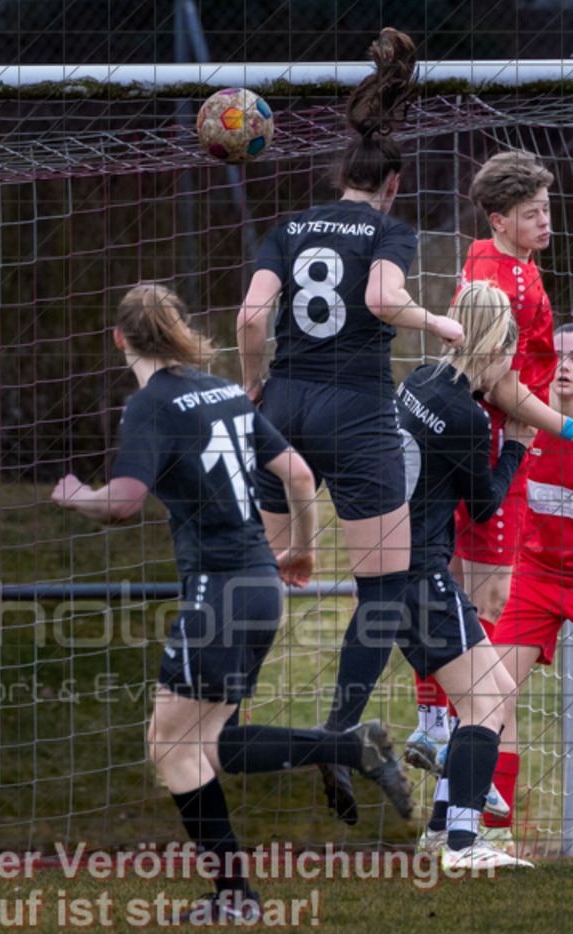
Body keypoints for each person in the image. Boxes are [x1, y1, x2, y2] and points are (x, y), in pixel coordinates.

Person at [53, 282, 413, 924]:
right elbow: (298, 473)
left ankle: (331, 766)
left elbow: (124, 502)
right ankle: (242, 888)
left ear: (120, 340)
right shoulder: (221, 390)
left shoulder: (151, 405)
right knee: (198, 743)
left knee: (174, 747)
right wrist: (302, 550)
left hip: (217, 590)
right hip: (256, 583)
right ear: (179, 329)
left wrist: (75, 493)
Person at [237, 28, 463, 823]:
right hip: (359, 409)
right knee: (382, 587)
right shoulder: (388, 231)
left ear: (338, 177)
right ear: (393, 183)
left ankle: (223, 713)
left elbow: (250, 317)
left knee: (256, 570)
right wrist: (440, 322)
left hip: (285, 403)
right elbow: (379, 300)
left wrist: (255, 387)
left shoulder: (291, 228)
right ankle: (342, 733)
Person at [405, 151, 571, 837]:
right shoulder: (494, 281)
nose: (545, 221)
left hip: (494, 443)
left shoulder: (512, 266)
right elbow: (498, 378)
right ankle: (445, 738)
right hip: (490, 447)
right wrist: (560, 427)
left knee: (472, 600)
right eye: (532, 213)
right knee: (477, 599)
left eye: (547, 209)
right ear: (500, 219)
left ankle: (451, 782)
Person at [395, 281, 534, 869]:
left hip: (387, 567)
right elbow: (483, 506)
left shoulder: (416, 380)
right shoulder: (468, 418)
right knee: (486, 701)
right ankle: (461, 843)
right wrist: (517, 447)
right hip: (420, 574)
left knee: (490, 693)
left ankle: (441, 830)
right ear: (498, 348)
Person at [486, 324, 573, 854]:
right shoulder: (525, 420)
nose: (565, 364)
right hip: (536, 576)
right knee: (491, 691)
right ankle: (489, 838)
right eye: (557, 353)